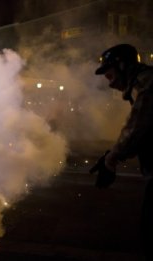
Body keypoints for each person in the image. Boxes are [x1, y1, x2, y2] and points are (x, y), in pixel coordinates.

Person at [93, 43, 153, 260]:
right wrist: (114, 153)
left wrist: (113, 157)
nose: (111, 84)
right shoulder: (143, 83)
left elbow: (137, 126)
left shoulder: (145, 84)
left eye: (110, 76)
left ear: (122, 65)